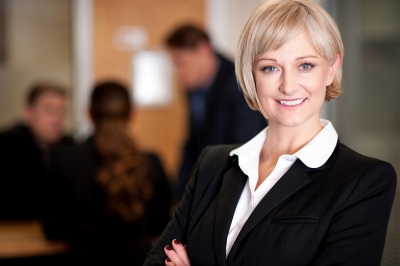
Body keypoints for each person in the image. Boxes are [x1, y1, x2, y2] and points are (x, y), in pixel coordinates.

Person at [144, 0, 397, 265]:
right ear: (251, 75)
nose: (288, 86)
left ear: (331, 68)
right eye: (270, 68)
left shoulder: (364, 181)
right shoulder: (212, 164)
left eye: (305, 65)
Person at [43, 81, 171, 265]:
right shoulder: (151, 162)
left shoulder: (64, 158)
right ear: (132, 114)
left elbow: (52, 230)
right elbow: (161, 226)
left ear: (89, 114)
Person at [165, 24, 267, 200]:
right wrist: (180, 196)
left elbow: (246, 147)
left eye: (182, 63)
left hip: (236, 189)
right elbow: (193, 144)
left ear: (203, 49)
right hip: (206, 186)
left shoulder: (239, 81)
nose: (178, 73)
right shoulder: (192, 88)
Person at [0, 82, 73, 219]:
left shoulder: (71, 147)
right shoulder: (6, 146)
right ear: (28, 113)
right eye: (49, 110)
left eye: (62, 112)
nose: (57, 119)